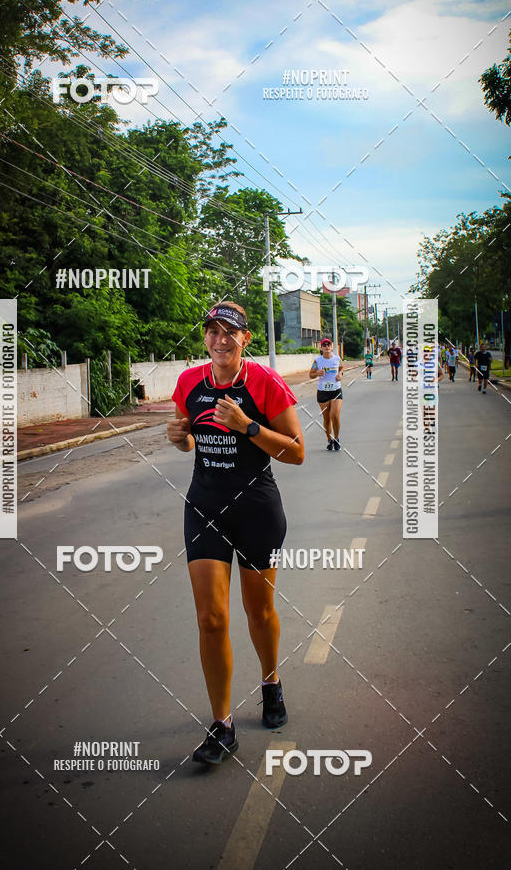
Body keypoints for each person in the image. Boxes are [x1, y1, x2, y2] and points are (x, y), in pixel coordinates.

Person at [167, 302, 304, 766]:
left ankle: (270, 682)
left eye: (231, 333)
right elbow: (190, 439)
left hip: (256, 510)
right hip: (205, 505)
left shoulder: (265, 384)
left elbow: (297, 452)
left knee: (258, 610)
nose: (221, 340)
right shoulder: (189, 383)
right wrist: (180, 437)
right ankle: (222, 726)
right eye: (213, 331)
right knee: (211, 619)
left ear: (247, 339)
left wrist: (247, 426)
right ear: (205, 337)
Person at [309, 337, 344, 450]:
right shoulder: (317, 361)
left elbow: (341, 368)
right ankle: (329, 440)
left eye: (329, 344)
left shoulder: (337, 358)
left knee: (334, 415)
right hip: (323, 392)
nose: (327, 346)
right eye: (324, 345)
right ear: (321, 347)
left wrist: (340, 374)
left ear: (332, 346)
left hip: (336, 390)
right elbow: (311, 374)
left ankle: (337, 438)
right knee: (327, 418)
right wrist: (317, 373)